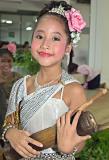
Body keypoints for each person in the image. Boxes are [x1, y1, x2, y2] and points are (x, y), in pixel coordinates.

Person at [2, 1, 91, 160]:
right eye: (39, 36)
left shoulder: (72, 90)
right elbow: (9, 122)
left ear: (68, 47)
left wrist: (67, 148)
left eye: (55, 38)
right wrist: (10, 133)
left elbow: (80, 137)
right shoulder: (20, 85)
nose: (45, 44)